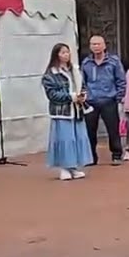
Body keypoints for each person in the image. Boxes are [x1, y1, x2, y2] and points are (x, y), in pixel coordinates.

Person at [42, 43, 93, 181]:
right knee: (65, 139)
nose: (66, 55)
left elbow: (83, 86)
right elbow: (52, 95)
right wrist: (71, 97)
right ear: (56, 55)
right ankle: (64, 167)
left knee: (77, 138)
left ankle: (74, 167)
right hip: (62, 112)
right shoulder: (50, 74)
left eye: (67, 52)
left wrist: (83, 95)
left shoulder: (75, 70)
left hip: (77, 110)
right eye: (63, 52)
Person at [81, 35, 125, 165]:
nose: (96, 47)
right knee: (90, 131)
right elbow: (82, 82)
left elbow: (121, 80)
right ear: (90, 46)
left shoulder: (113, 61)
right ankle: (91, 157)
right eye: (93, 44)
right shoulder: (86, 63)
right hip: (91, 102)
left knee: (113, 130)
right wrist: (85, 97)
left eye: (98, 44)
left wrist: (118, 97)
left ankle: (116, 155)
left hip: (109, 100)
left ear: (104, 45)